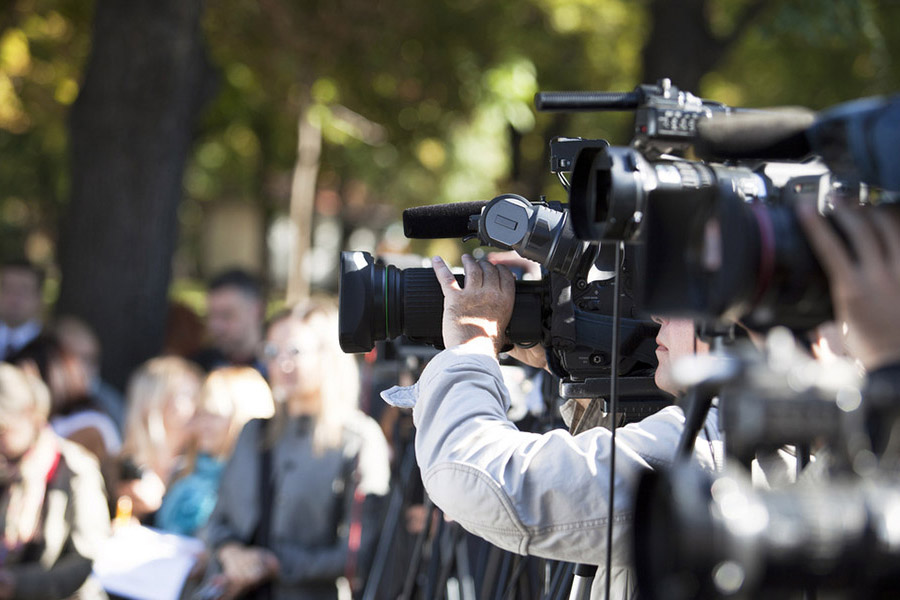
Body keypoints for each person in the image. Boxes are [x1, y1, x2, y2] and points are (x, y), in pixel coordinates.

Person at [379, 253, 724, 598]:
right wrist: (565, 365)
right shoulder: (714, 436)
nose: (658, 315)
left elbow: (476, 480)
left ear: (734, 321)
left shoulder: (703, 449)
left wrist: (471, 345)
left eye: (685, 299)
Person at [201, 301, 390, 600]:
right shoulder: (254, 432)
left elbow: (361, 552)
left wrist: (276, 564)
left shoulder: (358, 439)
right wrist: (230, 552)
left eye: (295, 351)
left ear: (328, 355)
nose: (282, 363)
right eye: (272, 351)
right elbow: (218, 520)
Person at [0, 362, 110, 600]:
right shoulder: (5, 467)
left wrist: (16, 584)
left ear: (31, 415)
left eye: (2, 430)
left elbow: (88, 561)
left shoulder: (75, 468)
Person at [155, 366, 275, 537]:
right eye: (200, 413)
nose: (203, 424)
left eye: (214, 415)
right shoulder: (184, 470)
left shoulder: (258, 484)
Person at [117, 356, 203, 522]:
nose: (199, 406)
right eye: (187, 395)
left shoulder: (202, 466)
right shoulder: (119, 469)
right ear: (155, 402)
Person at [54, 315, 125, 434]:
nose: (88, 367)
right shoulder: (37, 400)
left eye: (92, 359)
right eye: (81, 358)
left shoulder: (110, 406)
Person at [192, 269, 267, 375]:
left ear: (256, 310)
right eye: (210, 316)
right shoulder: (201, 366)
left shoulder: (275, 367)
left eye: (226, 315)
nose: (216, 326)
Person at [0, 260, 44, 361]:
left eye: (24, 290)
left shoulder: (51, 349)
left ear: (38, 298)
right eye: (8, 288)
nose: (14, 297)